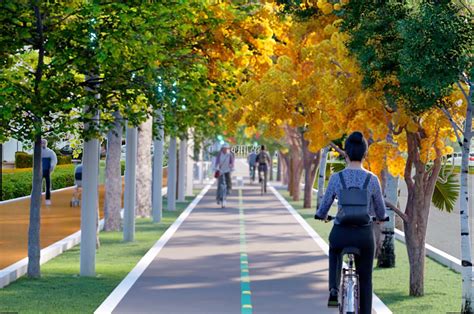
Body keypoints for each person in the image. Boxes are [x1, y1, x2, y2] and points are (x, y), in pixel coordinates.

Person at [315, 131, 386, 314]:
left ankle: (333, 289)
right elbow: (380, 210)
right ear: (365, 154)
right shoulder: (372, 179)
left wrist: (322, 215)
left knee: (334, 250)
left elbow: (324, 208)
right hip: (364, 235)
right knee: (366, 278)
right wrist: (379, 218)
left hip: (341, 232)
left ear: (345, 154)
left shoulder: (336, 178)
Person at [41, 139, 58, 206]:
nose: (43, 144)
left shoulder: (50, 152)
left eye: (44, 143)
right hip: (40, 171)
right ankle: (38, 198)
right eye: (42, 143)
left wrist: (52, 167)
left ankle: (47, 199)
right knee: (38, 186)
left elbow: (54, 160)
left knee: (48, 186)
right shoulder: (38, 152)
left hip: (47, 170)